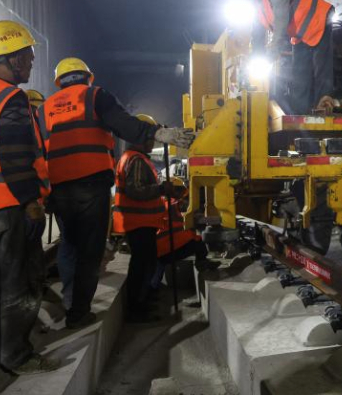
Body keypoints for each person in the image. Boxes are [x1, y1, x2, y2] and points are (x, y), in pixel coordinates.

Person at [39, 57, 194, 329]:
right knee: (90, 251)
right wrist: (159, 133)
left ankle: (69, 301)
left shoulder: (45, 108)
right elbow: (125, 124)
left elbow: (37, 150)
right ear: (87, 77)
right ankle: (78, 312)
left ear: (59, 82)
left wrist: (43, 194)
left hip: (60, 189)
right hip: (91, 187)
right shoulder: (95, 96)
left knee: (69, 245)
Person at [0, 20, 58, 374]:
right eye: (29, 57)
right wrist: (30, 202)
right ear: (12, 58)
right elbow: (15, 155)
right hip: (10, 204)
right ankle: (15, 353)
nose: (33, 63)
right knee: (19, 279)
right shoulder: (12, 97)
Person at [221, 0, 334, 114]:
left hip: (319, 18)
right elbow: (257, 36)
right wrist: (255, 61)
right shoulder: (256, 8)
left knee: (321, 66)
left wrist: (273, 52)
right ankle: (299, 117)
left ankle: (324, 104)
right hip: (300, 35)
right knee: (299, 76)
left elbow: (281, 23)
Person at [112, 115, 174, 323]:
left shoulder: (132, 157)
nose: (152, 142)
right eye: (149, 138)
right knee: (141, 265)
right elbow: (135, 190)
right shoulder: (136, 160)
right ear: (139, 138)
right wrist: (161, 189)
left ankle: (143, 299)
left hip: (139, 222)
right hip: (138, 222)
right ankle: (137, 308)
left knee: (144, 263)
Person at [150, 177, 218, 291]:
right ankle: (202, 263)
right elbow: (186, 215)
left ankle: (152, 289)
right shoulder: (174, 204)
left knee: (157, 273)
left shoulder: (162, 202)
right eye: (180, 190)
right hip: (167, 247)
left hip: (159, 249)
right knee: (198, 241)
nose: (182, 194)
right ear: (173, 190)